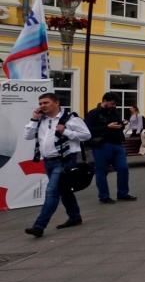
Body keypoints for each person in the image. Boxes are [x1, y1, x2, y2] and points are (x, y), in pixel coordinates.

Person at [23, 92, 91, 237]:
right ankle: (75, 217)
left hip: (64, 160)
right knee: (64, 190)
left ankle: (39, 226)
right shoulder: (41, 119)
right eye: (40, 103)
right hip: (47, 160)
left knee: (52, 192)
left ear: (56, 103)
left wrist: (66, 131)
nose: (42, 106)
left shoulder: (70, 118)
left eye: (46, 103)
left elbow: (86, 135)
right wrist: (34, 119)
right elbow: (27, 136)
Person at [85, 92, 137, 204]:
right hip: (102, 145)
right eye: (112, 103)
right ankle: (104, 196)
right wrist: (107, 127)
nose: (114, 106)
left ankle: (123, 194)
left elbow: (117, 124)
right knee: (102, 171)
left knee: (123, 168)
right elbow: (88, 130)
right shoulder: (94, 113)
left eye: (115, 104)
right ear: (104, 101)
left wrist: (121, 125)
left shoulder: (114, 111)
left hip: (117, 144)